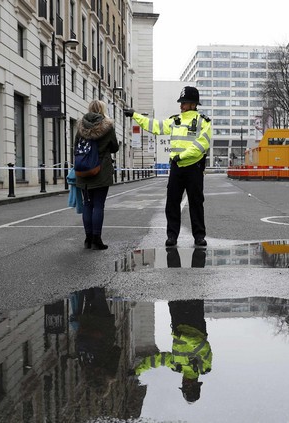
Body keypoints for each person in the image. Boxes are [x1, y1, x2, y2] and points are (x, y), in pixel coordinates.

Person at [125, 86, 212, 247]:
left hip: (193, 167)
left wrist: (181, 156)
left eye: (184, 103)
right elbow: (155, 126)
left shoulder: (203, 121)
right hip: (178, 168)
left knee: (196, 203)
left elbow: (202, 144)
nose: (181, 106)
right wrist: (135, 115)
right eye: (181, 103)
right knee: (172, 203)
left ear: (193, 104)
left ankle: (199, 236)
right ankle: (172, 236)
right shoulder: (175, 120)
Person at [134, 248, 210, 403]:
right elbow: (203, 346)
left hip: (178, 320)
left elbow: (158, 360)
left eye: (184, 386)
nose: (184, 383)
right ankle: (200, 251)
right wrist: (183, 337)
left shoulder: (177, 366)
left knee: (174, 284)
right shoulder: (204, 367)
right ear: (195, 384)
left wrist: (137, 370)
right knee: (195, 283)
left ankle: (172, 251)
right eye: (187, 385)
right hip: (195, 322)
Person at [75, 100, 119, 250]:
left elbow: (76, 146)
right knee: (98, 205)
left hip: (84, 170)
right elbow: (114, 147)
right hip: (101, 170)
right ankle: (97, 239)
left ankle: (87, 239)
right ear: (102, 109)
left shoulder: (81, 126)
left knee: (88, 204)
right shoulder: (107, 126)